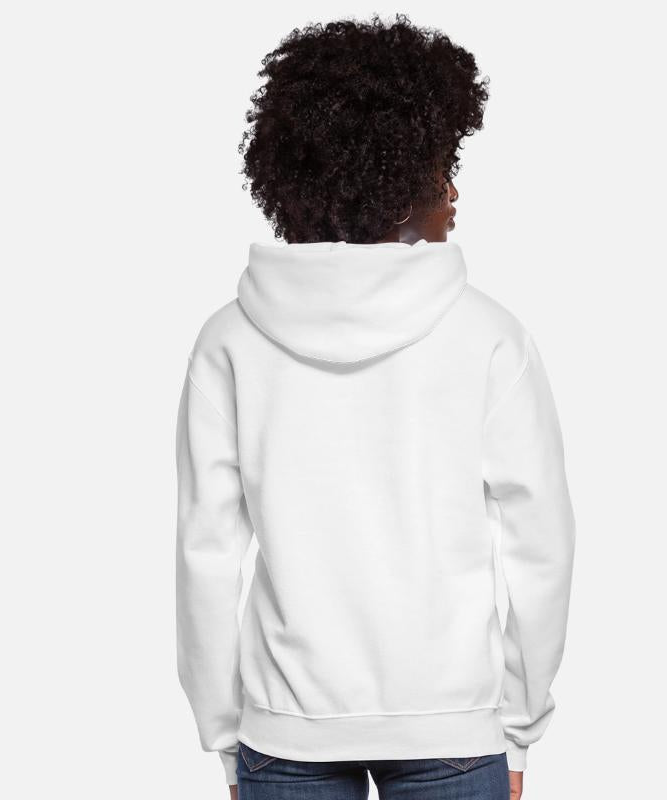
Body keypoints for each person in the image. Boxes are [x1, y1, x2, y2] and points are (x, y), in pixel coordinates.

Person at [175, 13, 576, 800]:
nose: (453, 192)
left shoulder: (229, 341)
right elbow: (542, 546)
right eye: (441, 165)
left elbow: (206, 553)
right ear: (390, 180)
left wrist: (225, 737)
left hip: (284, 732)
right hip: (453, 730)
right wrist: (518, 726)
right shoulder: (490, 337)